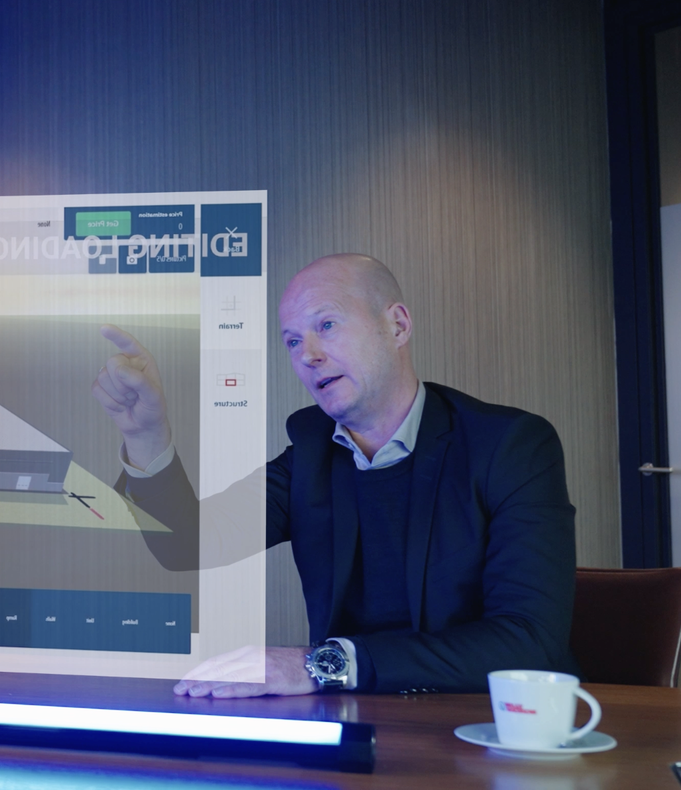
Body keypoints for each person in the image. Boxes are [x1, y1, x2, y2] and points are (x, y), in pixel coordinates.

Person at [93, 253, 579, 696]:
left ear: (397, 325)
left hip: (487, 725)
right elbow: (187, 545)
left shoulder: (510, 445)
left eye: (326, 325)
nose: (308, 354)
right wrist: (146, 434)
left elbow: (530, 642)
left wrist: (319, 665)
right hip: (350, 724)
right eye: (292, 341)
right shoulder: (311, 455)